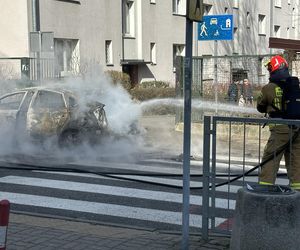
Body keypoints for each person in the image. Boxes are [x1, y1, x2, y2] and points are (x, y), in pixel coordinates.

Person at [256, 55, 300, 190]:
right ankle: (297, 189)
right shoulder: (295, 86)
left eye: (270, 68)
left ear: (274, 69)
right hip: (297, 128)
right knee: (296, 160)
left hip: (280, 129)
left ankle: (265, 187)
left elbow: (260, 106)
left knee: (271, 158)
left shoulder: (268, 88)